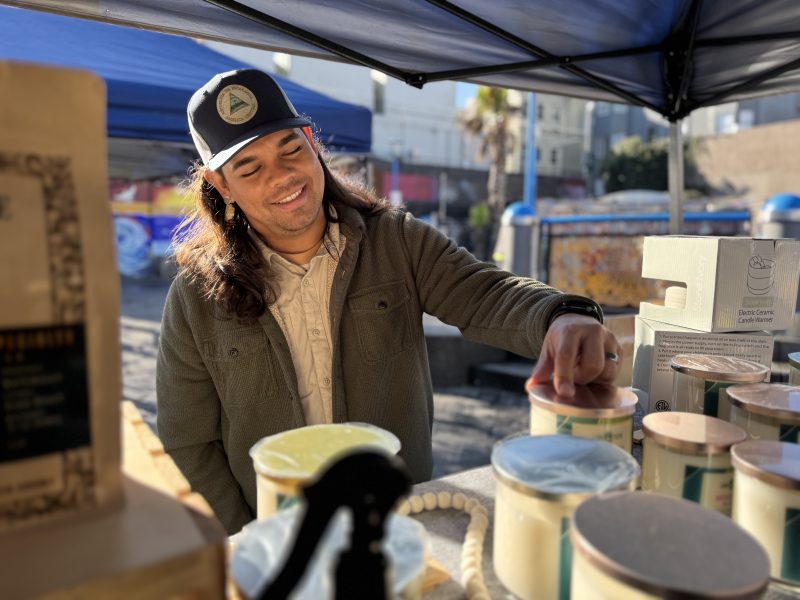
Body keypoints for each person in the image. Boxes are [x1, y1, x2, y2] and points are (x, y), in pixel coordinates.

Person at [156, 68, 622, 534]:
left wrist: (563, 315)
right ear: (221, 185)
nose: (282, 177)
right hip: (274, 541)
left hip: (399, 525)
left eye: (290, 149)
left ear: (311, 142)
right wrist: (248, 539)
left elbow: (486, 293)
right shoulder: (195, 297)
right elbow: (189, 442)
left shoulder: (396, 241)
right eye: (250, 168)